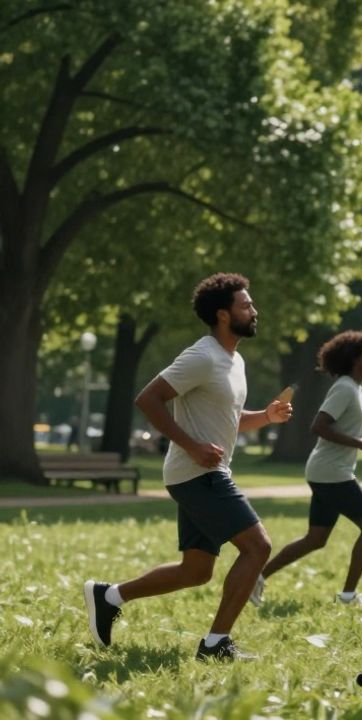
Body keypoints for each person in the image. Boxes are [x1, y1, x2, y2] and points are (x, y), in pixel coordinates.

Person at [83, 273, 292, 661]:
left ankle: (108, 595)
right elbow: (148, 399)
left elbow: (228, 419)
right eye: (246, 305)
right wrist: (192, 446)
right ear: (223, 315)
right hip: (198, 474)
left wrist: (266, 416)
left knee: (196, 570)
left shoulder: (234, 360)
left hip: (204, 473)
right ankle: (215, 645)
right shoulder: (202, 355)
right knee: (258, 546)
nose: (254, 310)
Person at [253, 331, 362, 607]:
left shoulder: (354, 388)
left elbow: (339, 428)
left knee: (316, 539)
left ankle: (257, 576)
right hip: (332, 473)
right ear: (355, 360)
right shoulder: (345, 388)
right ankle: (348, 596)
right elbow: (319, 426)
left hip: (327, 471)